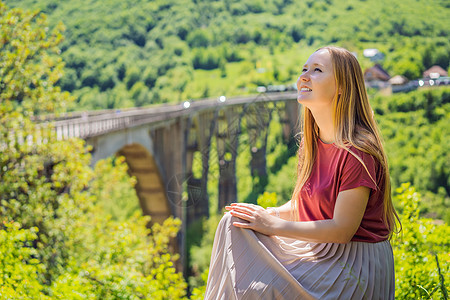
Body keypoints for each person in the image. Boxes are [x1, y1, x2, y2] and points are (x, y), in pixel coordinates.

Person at [204, 46, 400, 299]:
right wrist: (266, 214)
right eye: (304, 69)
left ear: (343, 87)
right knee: (233, 222)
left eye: (317, 70)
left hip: (352, 263)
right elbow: (305, 205)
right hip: (323, 250)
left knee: (259, 290)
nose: (304, 77)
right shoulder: (315, 143)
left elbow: (342, 229)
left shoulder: (358, 151)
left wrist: (273, 224)